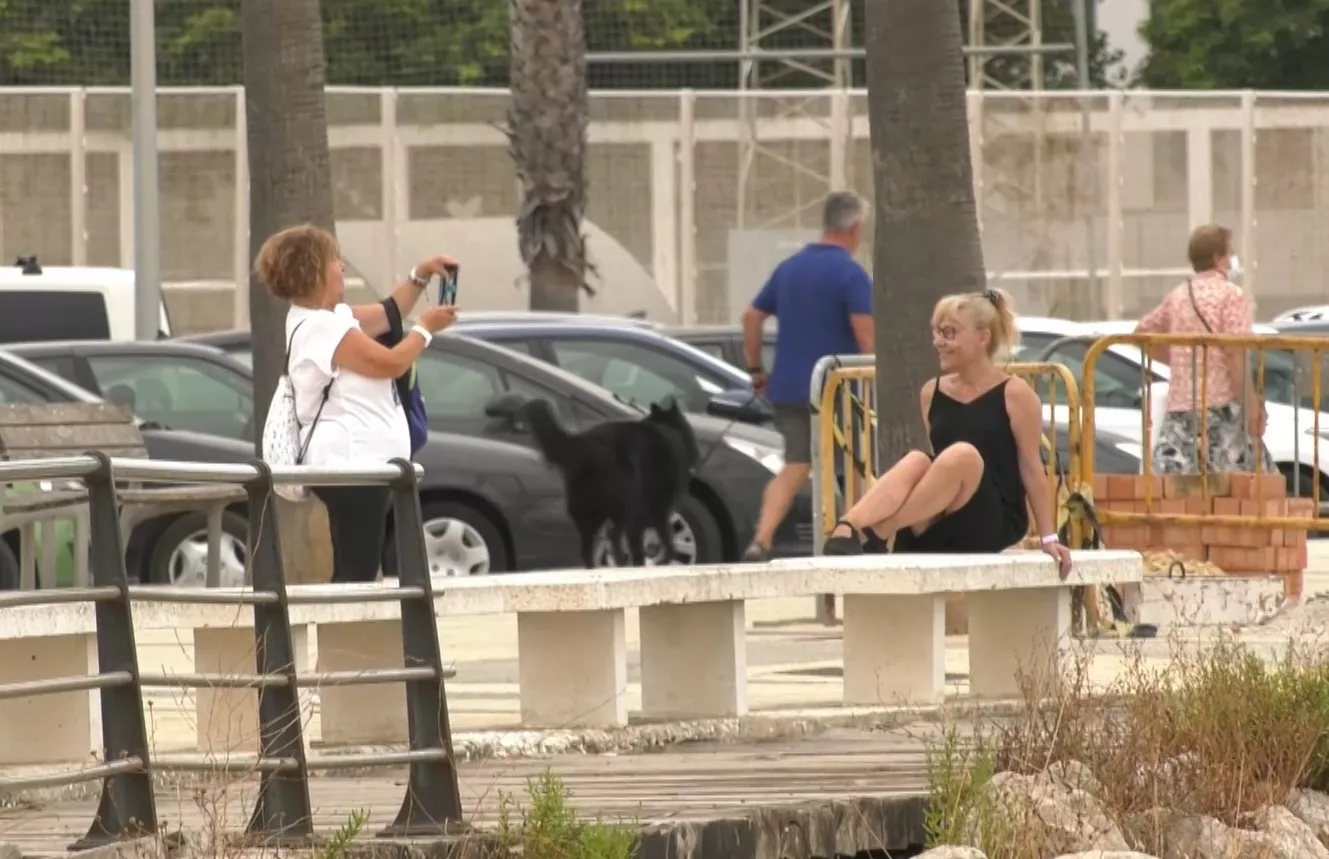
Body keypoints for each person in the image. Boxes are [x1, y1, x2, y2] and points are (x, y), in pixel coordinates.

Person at [255, 224, 459, 583]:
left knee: (361, 567)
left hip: (363, 465)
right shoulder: (321, 329)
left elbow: (388, 314)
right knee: (356, 571)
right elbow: (392, 363)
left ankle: (351, 638)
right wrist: (425, 329)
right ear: (313, 269)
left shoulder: (328, 320)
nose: (342, 267)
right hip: (351, 467)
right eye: (335, 260)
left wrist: (421, 274)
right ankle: (343, 639)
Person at [821, 288, 1072, 578]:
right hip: (939, 514)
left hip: (991, 519)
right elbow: (937, 472)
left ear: (982, 337)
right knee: (917, 459)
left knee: (963, 454)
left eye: (950, 333)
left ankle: (880, 531)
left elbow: (1031, 468)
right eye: (937, 332)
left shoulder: (1015, 393)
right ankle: (846, 529)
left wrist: (1049, 537)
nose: (939, 342)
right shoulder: (931, 392)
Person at [740, 192, 874, 563]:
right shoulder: (850, 273)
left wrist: (755, 370)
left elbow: (751, 316)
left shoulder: (789, 268)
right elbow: (866, 336)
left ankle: (761, 540)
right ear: (855, 227)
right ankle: (852, 539)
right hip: (837, 389)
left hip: (789, 388)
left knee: (797, 463)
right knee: (854, 464)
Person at [1136, 224, 1274, 475]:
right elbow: (1236, 354)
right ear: (1217, 258)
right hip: (1220, 409)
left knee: (1175, 491)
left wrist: (1179, 359)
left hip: (1181, 409)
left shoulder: (1178, 295)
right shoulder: (1231, 295)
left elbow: (1142, 333)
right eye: (1230, 252)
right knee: (1240, 488)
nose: (1233, 258)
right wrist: (1252, 403)